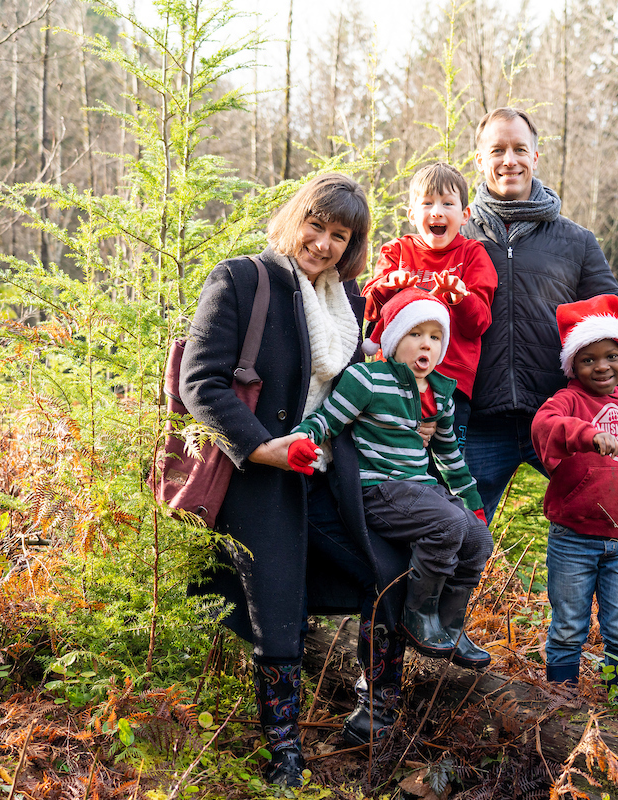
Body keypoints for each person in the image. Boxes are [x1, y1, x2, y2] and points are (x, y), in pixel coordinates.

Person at [178, 173, 410, 787]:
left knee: (386, 573)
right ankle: (285, 756)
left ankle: (376, 718)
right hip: (261, 476)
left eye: (340, 234)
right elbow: (200, 382)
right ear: (295, 219)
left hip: (328, 476)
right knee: (276, 611)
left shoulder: (347, 298)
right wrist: (259, 448)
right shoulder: (242, 279)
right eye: (317, 225)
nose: (325, 243)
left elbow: (356, 391)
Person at [461, 107, 618, 523]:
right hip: (479, 425)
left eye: (520, 149)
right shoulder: (459, 237)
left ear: (536, 157)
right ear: (480, 160)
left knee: (612, 522)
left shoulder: (576, 242)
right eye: (497, 150)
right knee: (461, 541)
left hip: (566, 418)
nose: (509, 160)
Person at [277, 287, 494, 673]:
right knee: (448, 525)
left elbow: (448, 454)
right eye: (415, 334)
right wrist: (301, 442)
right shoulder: (368, 379)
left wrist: (472, 501)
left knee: (478, 537)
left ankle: (451, 624)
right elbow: (326, 419)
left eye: (435, 336)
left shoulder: (442, 393)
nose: (426, 344)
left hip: (420, 488)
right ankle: (418, 615)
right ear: (393, 339)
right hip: (379, 489)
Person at [530, 296, 618, 689]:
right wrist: (589, 435)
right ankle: (561, 698)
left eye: (611, 355)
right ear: (573, 364)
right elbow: (546, 427)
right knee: (568, 628)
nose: (602, 366)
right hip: (574, 538)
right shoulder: (568, 400)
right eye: (588, 359)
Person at [361, 163, 497, 450]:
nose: (437, 211)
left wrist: (460, 297)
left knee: (446, 466)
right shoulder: (396, 251)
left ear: (464, 215)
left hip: (451, 383)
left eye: (448, 203)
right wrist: (390, 284)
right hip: (395, 379)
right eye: (427, 203)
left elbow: (480, 323)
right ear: (412, 214)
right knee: (395, 456)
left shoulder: (473, 254)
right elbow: (369, 309)